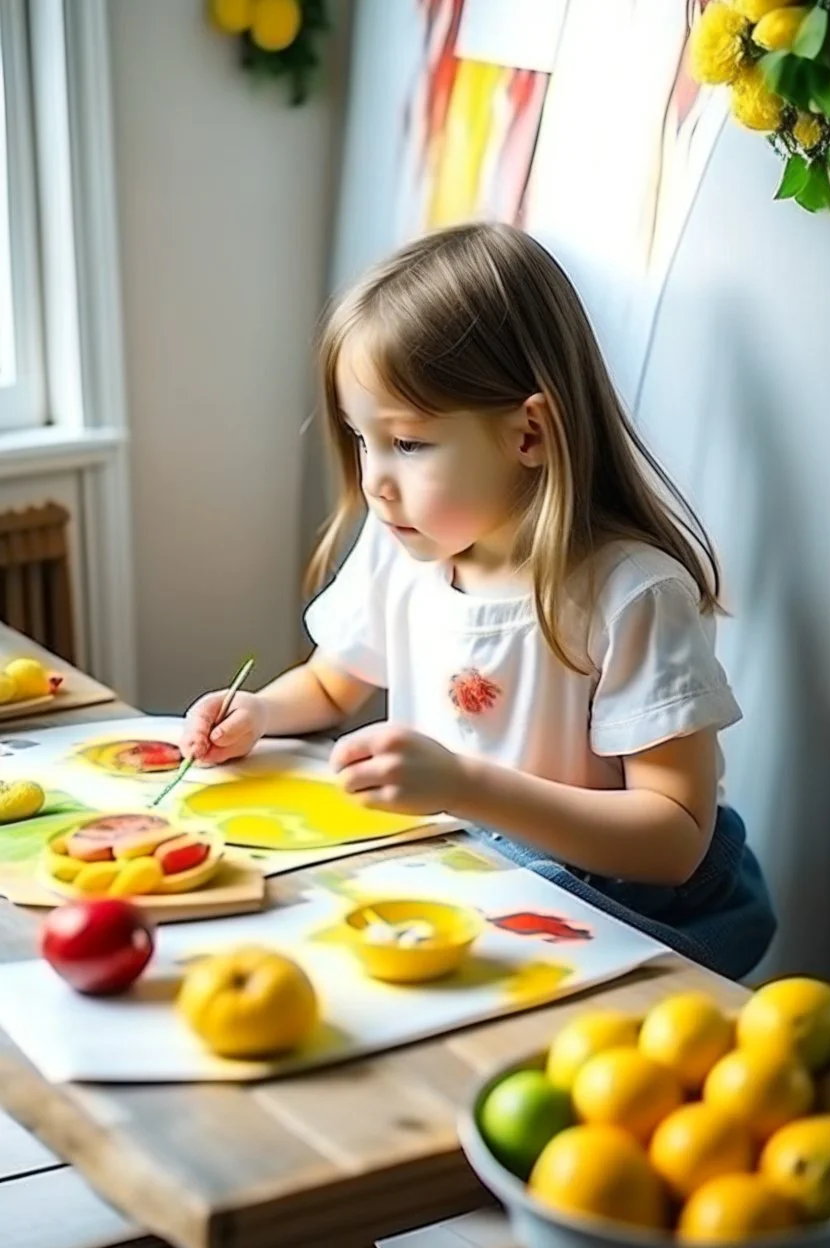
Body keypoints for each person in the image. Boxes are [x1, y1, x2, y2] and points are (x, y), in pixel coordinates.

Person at [182, 223, 775, 980]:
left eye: (409, 443)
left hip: (601, 903)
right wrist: (260, 713)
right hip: (456, 871)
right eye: (362, 441)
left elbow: (674, 837)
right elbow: (333, 684)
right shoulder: (404, 546)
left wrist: (463, 785)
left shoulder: (631, 594)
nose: (373, 481)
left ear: (528, 433)